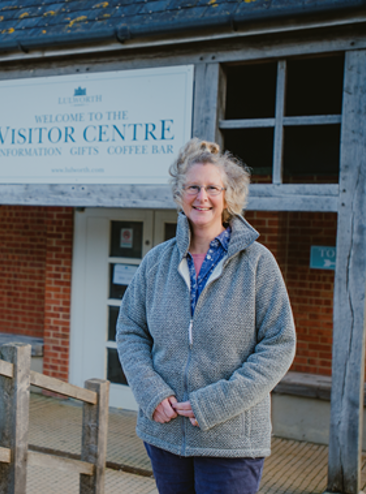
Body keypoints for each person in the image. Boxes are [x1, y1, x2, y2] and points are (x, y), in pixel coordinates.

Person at [116, 138, 296, 494]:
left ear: (229, 195)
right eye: (193, 187)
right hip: (166, 434)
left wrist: (214, 404)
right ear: (179, 194)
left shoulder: (258, 263)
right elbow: (130, 330)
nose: (202, 197)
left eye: (213, 188)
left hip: (230, 440)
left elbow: (279, 344)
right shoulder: (156, 261)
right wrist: (151, 393)